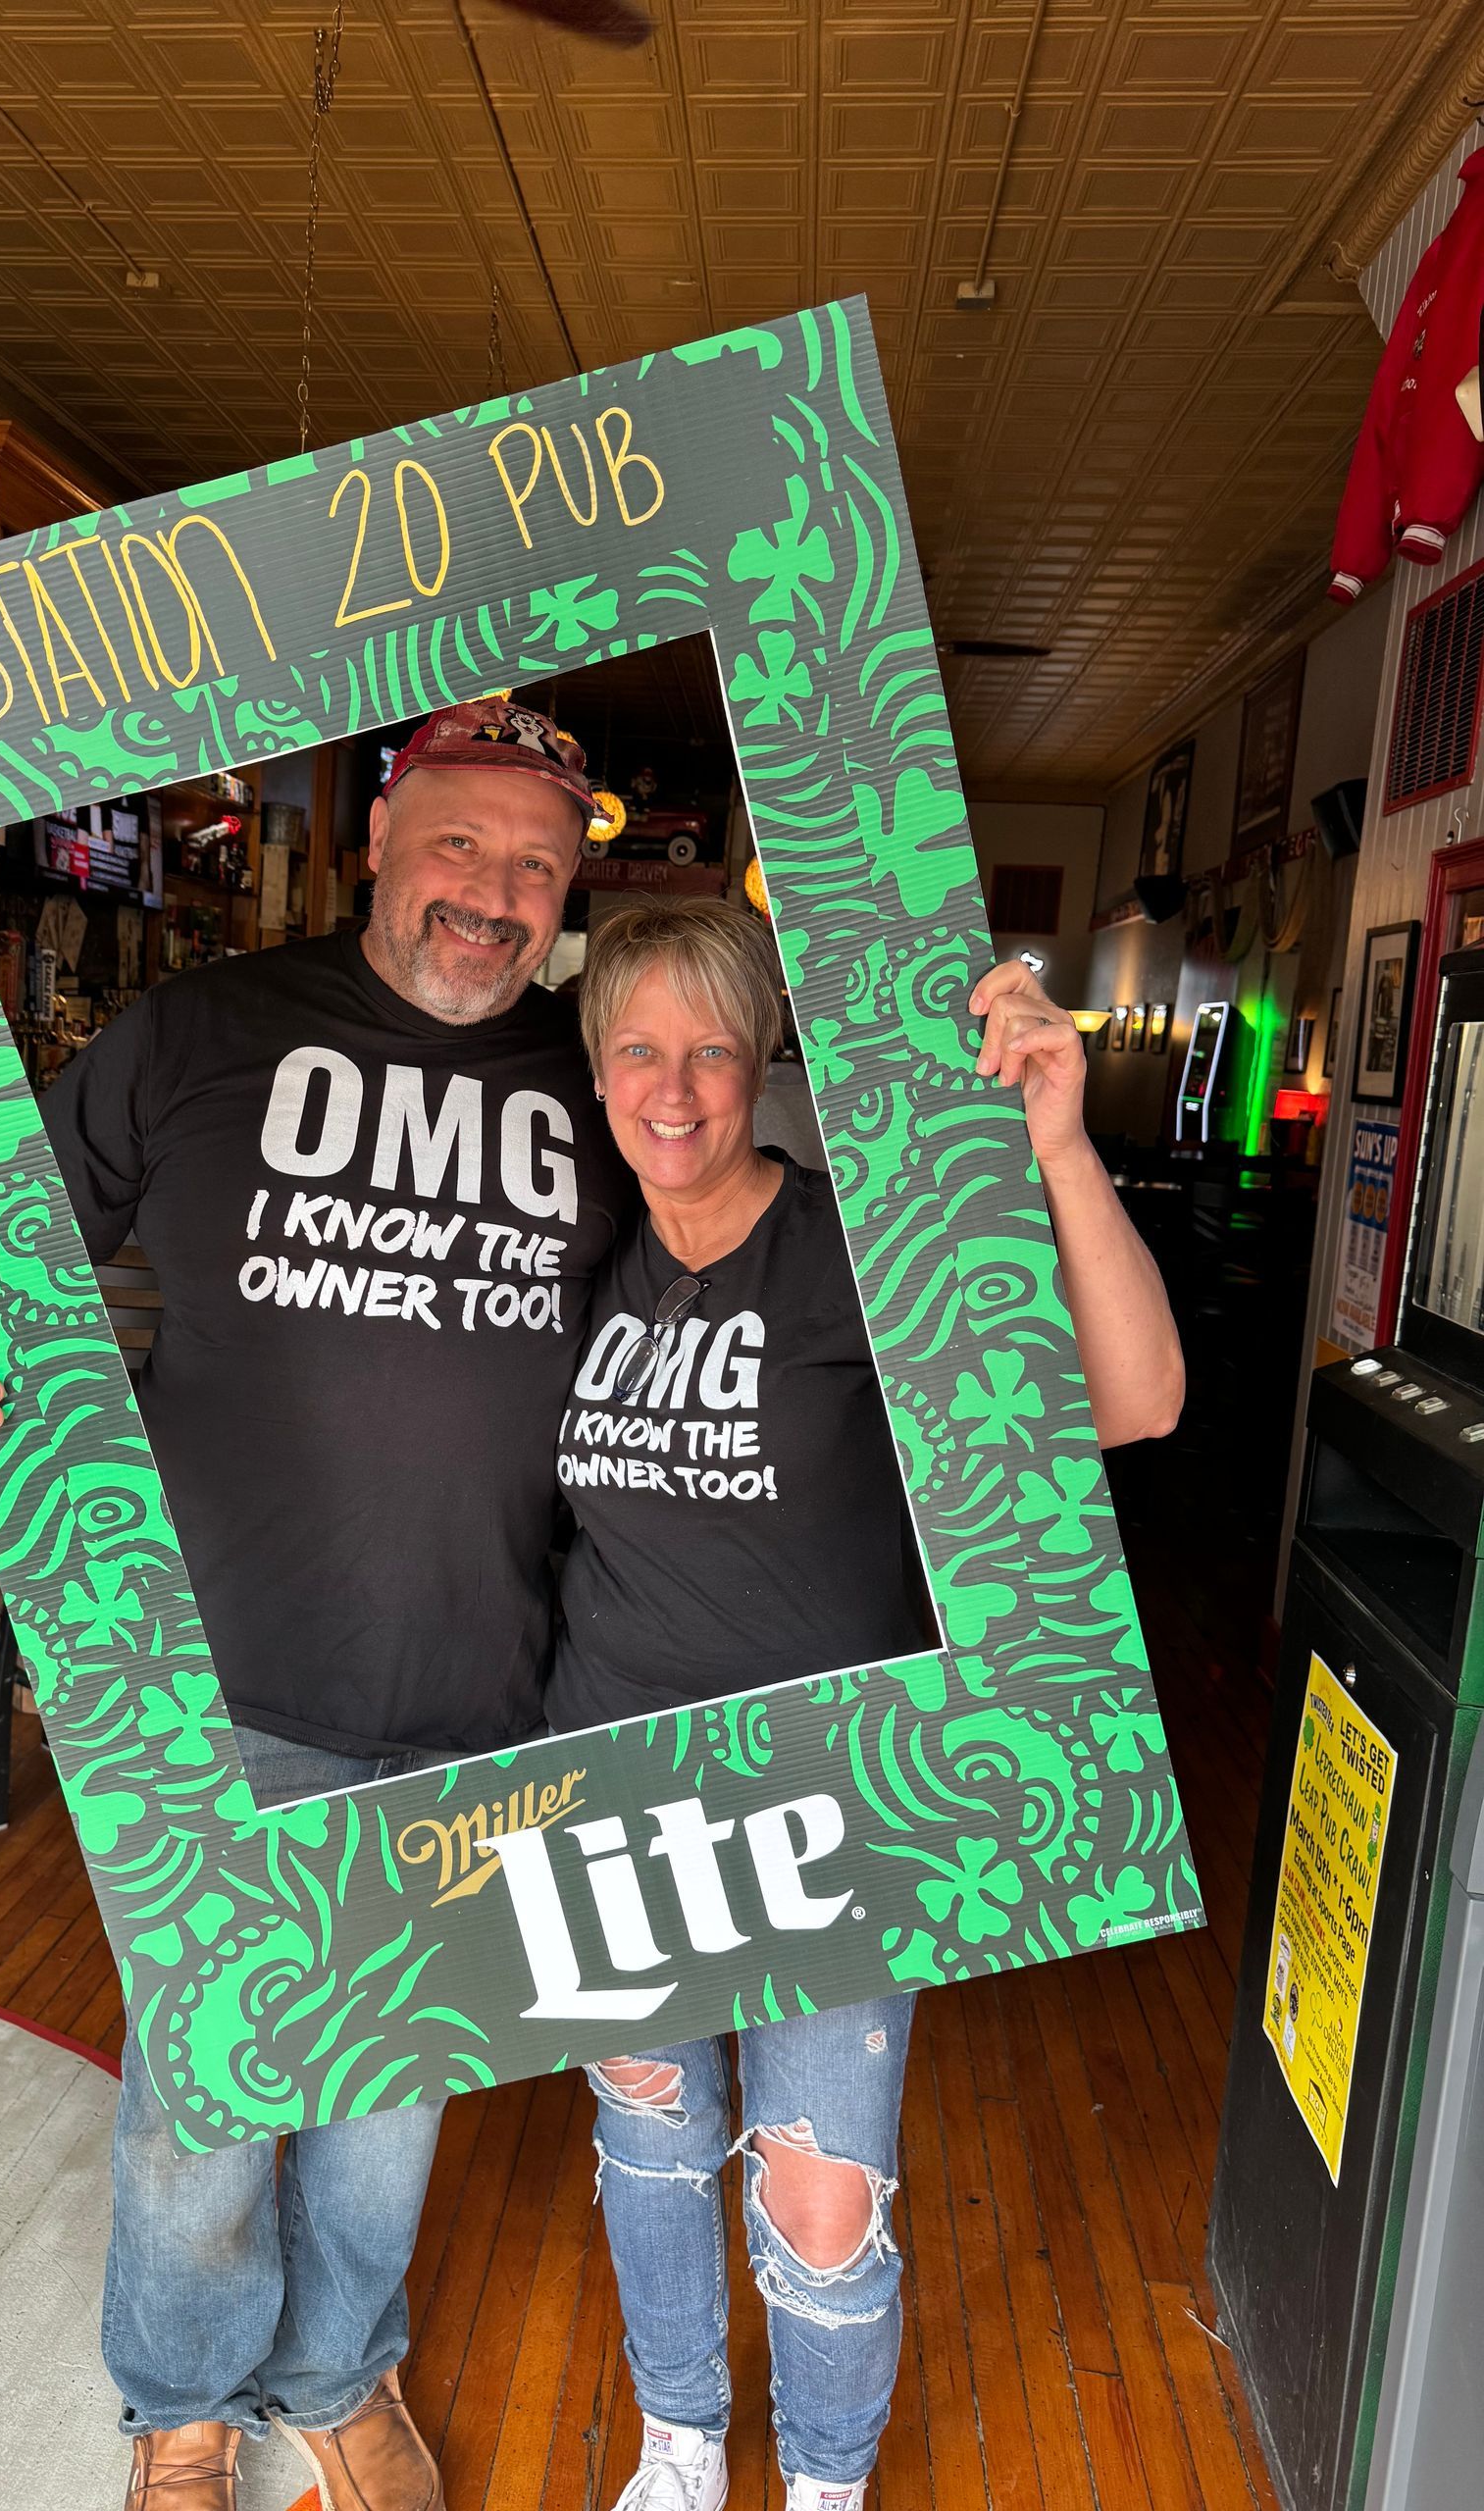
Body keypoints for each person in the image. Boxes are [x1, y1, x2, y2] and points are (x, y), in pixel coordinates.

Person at [0, 697, 631, 2511]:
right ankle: (185, 2405)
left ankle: (336, 2371)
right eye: (462, 844)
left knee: (393, 2093)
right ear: (379, 841)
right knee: (208, 2095)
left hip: (488, 1681)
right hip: (204, 1671)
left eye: (538, 867)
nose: (497, 894)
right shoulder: (204, 1027)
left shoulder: (602, 1081)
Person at [553, 900, 1183, 2511]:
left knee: (822, 2201)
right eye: (639, 1048)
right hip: (611, 1788)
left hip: (833, 1805)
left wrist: (1061, 1149)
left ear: (766, 1058)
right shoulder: (578, 1263)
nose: (675, 1088)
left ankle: (825, 2483)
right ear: (595, 1066)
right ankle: (683, 2442)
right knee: (648, 2139)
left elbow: (1133, 1402)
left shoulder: (859, 1246)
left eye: (711, 1047)